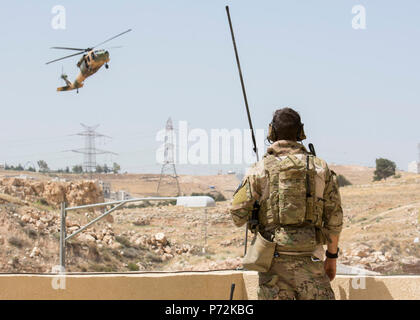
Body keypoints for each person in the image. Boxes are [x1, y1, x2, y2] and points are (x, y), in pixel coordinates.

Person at [230, 107, 343, 300]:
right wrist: (332, 258)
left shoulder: (259, 169)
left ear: (271, 132)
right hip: (312, 259)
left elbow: (237, 215)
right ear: (301, 133)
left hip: (273, 265)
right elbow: (334, 219)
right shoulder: (320, 168)